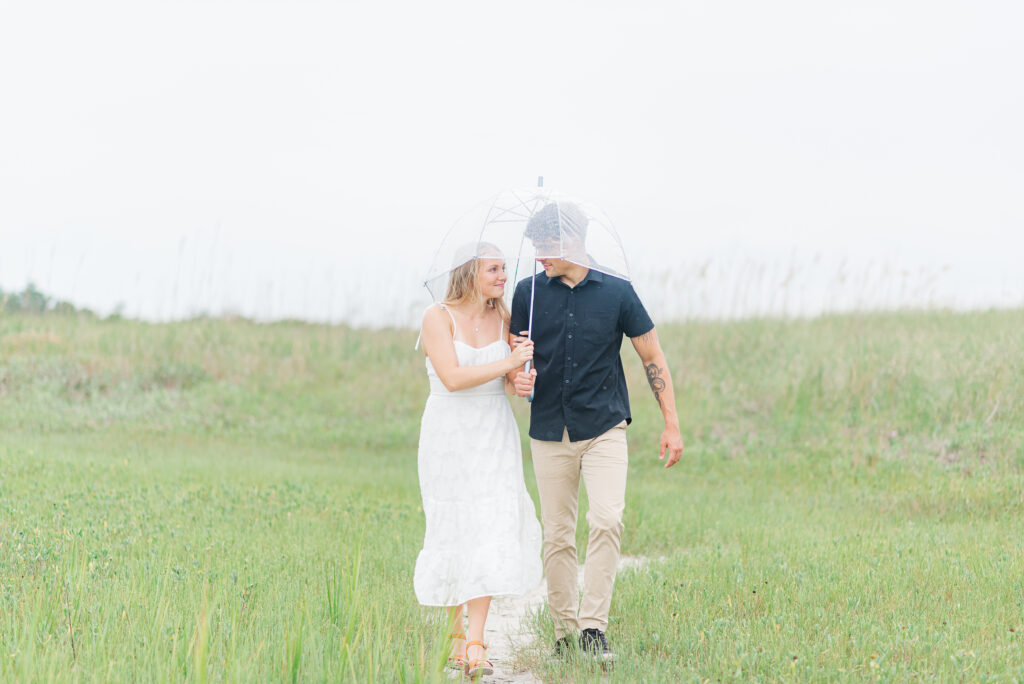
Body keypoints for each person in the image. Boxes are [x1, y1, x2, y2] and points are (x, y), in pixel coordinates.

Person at [510, 202, 684, 663]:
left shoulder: (618, 291)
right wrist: (517, 379)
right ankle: (565, 635)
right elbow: (514, 366)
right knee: (557, 535)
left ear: (572, 241)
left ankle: (593, 630)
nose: (538, 256)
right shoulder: (527, 292)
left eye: (545, 246)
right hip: (548, 430)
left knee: (607, 520)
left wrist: (671, 423)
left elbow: (652, 356)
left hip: (604, 426)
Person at [414, 243, 543, 678]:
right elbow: (451, 377)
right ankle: (453, 637)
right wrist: (507, 360)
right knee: (454, 524)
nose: (503, 276)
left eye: (505, 269)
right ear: (470, 273)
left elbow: (509, 384)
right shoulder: (437, 317)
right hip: (448, 434)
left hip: (493, 432)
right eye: (494, 269)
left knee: (490, 525)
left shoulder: (505, 318)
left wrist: (521, 377)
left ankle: (476, 642)